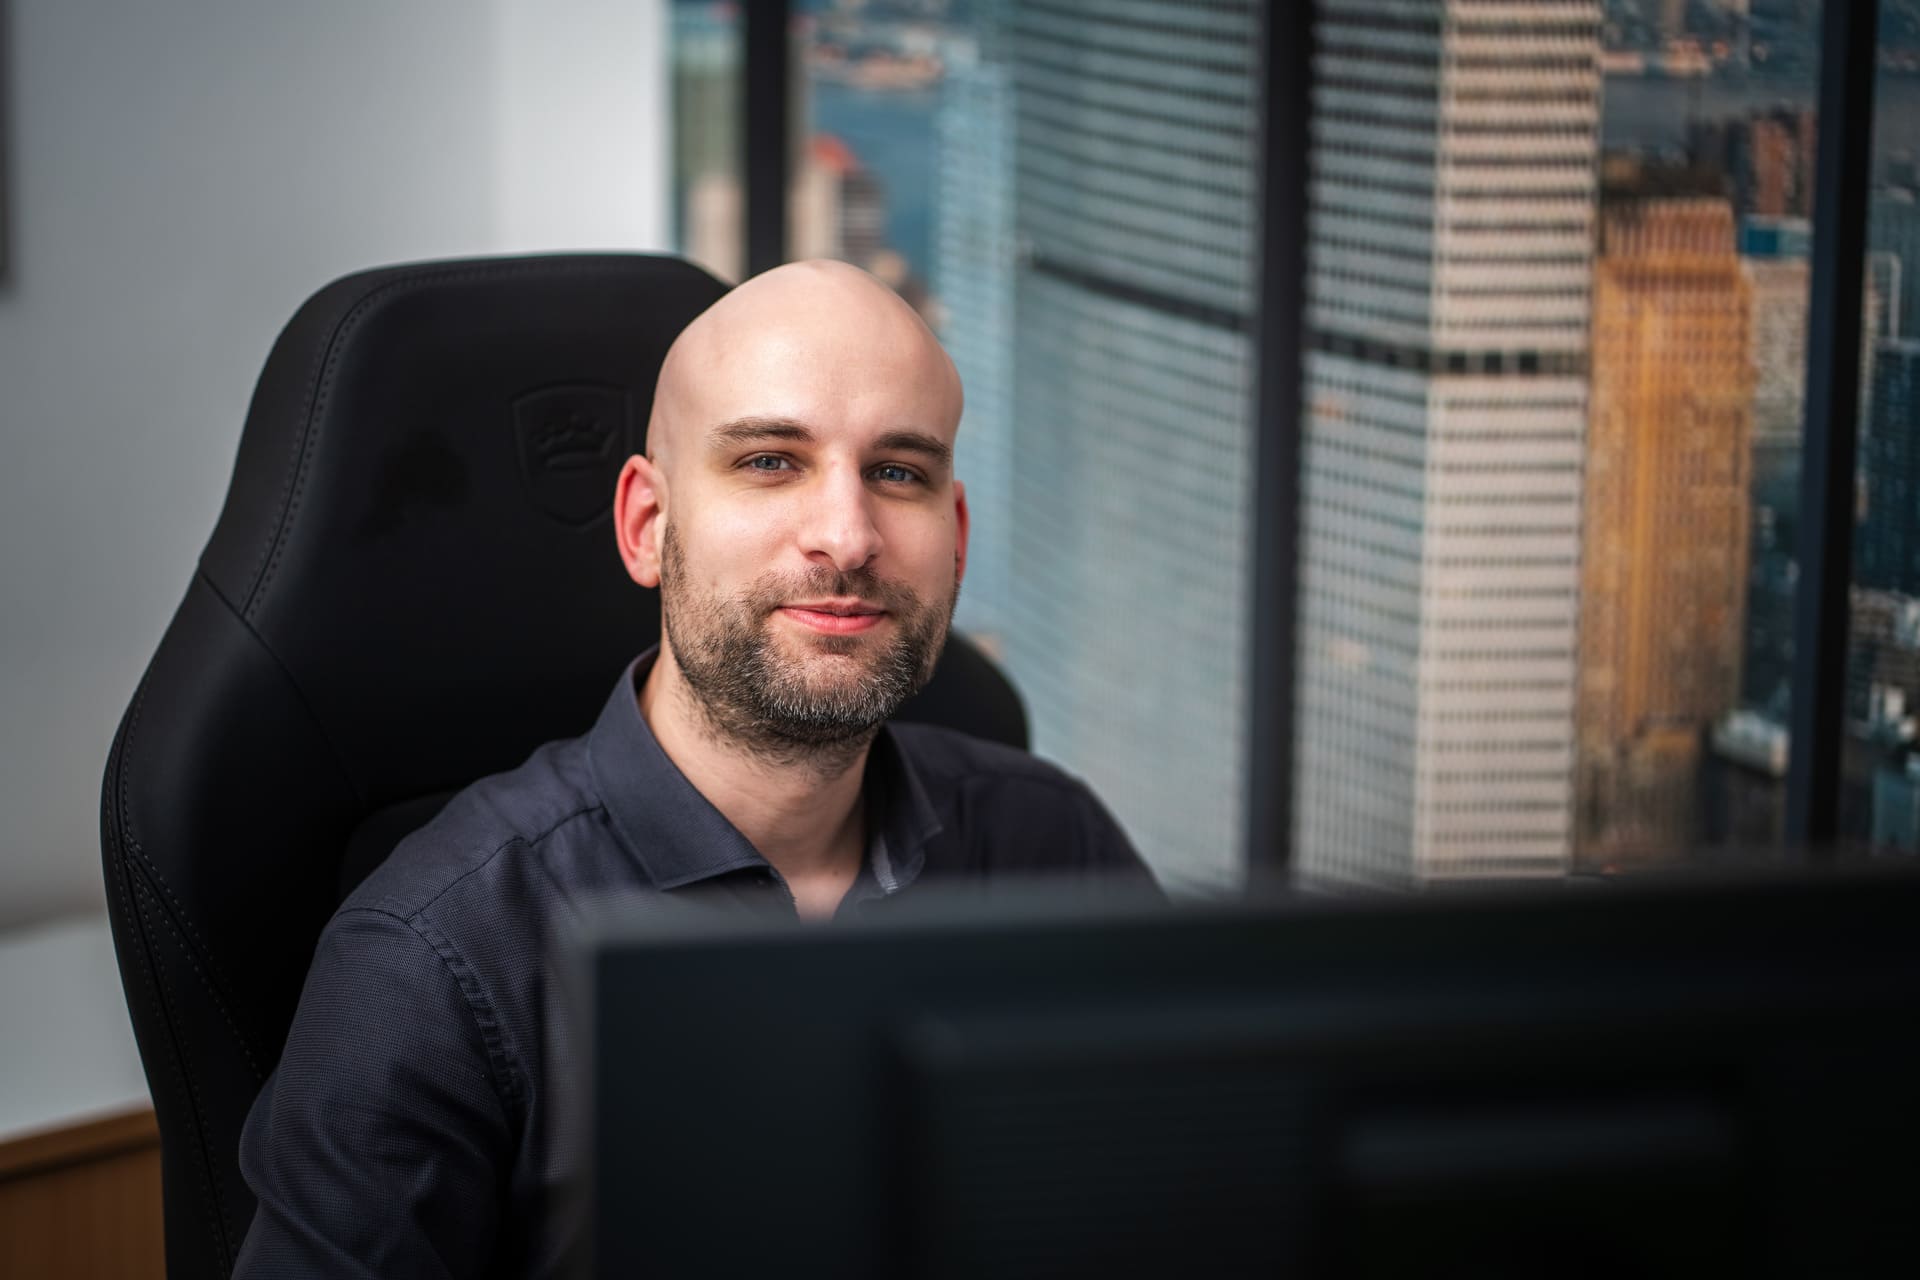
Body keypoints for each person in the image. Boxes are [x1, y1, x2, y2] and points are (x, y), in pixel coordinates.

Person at [231, 260, 1156, 1278]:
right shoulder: (430, 964)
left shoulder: (1055, 845)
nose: (847, 537)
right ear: (648, 525)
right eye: (770, 460)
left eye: (899, 472)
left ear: (958, 539)